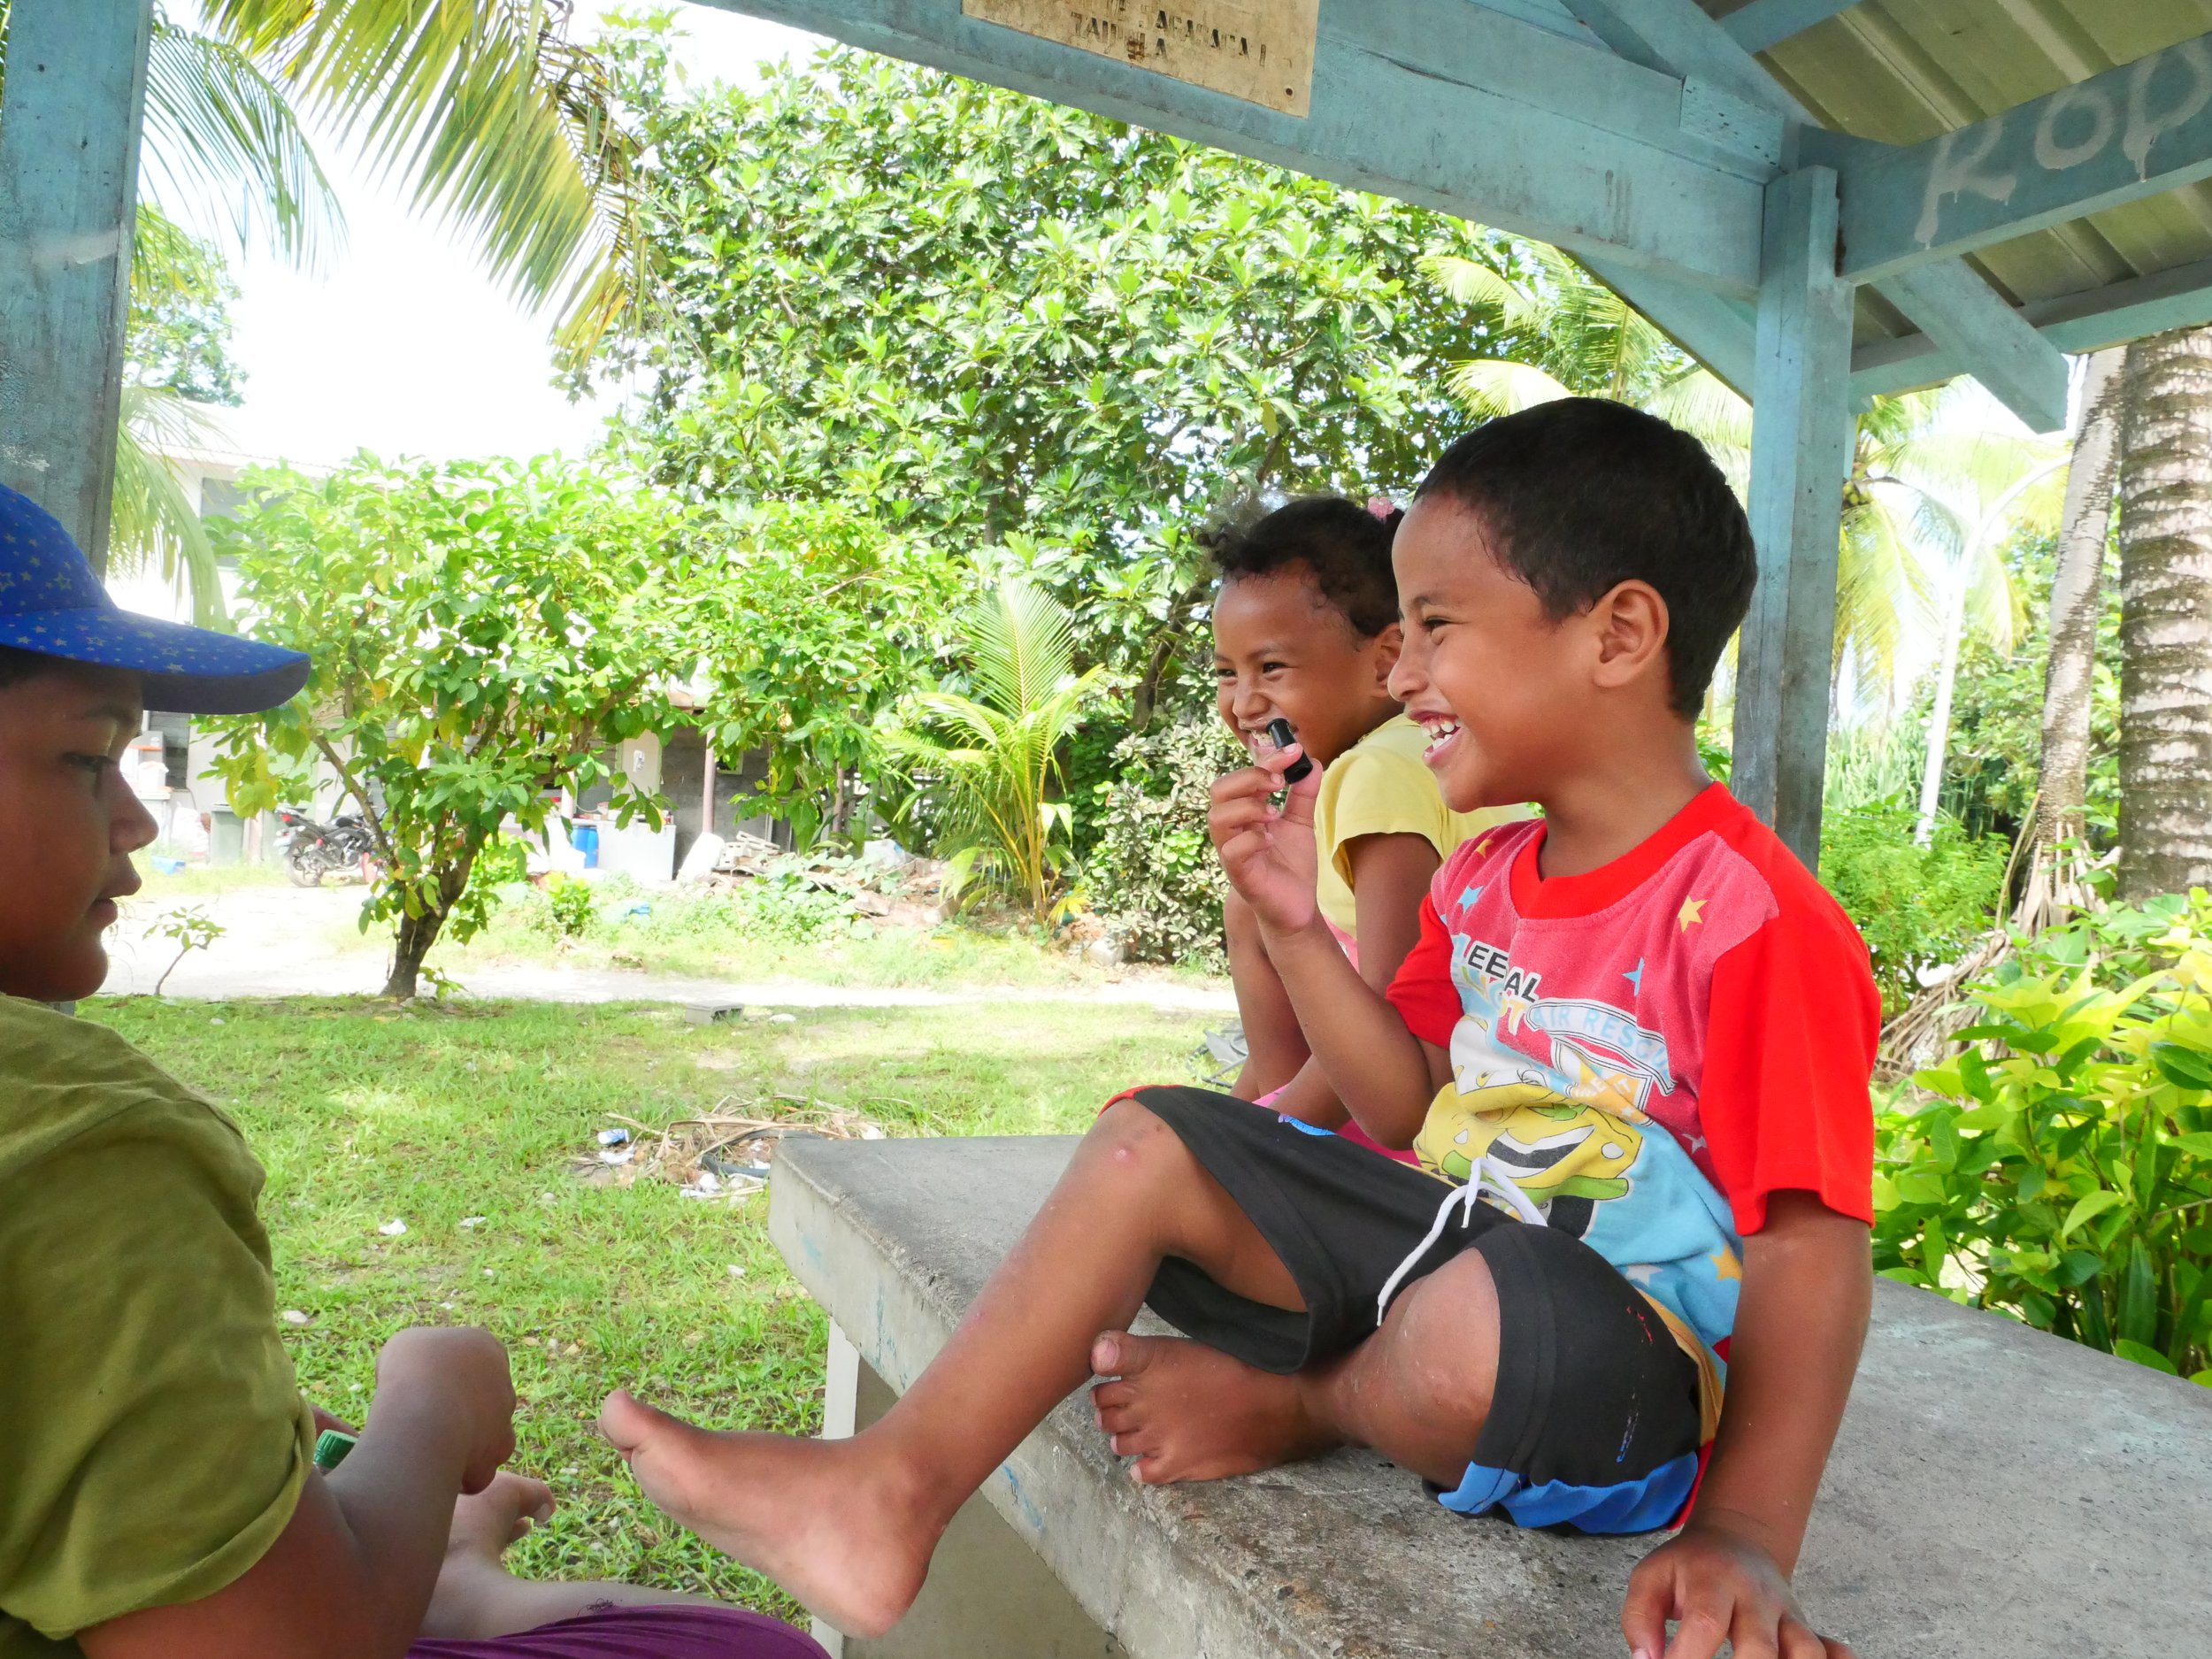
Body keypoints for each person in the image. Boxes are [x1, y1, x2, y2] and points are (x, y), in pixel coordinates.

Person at [598, 400, 1873, 1659]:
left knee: (1462, 1333)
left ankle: (1302, 1401)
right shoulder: (1484, 878)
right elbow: (1396, 1102)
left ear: (1621, 633)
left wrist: (1748, 1528)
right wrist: (1297, 930)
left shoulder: (1751, 917)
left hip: (1611, 1359)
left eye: (1434, 626)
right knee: (1146, 1141)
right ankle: (889, 1491)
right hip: (1452, 1249)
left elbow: (1810, 1249)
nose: (1403, 668)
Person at [0, 483, 824, 1659]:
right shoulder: (73, 1147)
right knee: (752, 1652)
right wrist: (430, 1407)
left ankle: (445, 1572)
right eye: (86, 757)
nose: (134, 817)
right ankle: (443, 1571)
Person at [1207, 495, 1520, 1158]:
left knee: (1249, 910)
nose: (1242, 703)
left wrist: (1259, 1142)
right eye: (1225, 673)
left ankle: (1278, 1143)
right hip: (1444, 1086)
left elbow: (1394, 1019)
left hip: (1403, 1126)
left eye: (1271, 668)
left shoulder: (1376, 772)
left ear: (1384, 663)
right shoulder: (1440, 749)